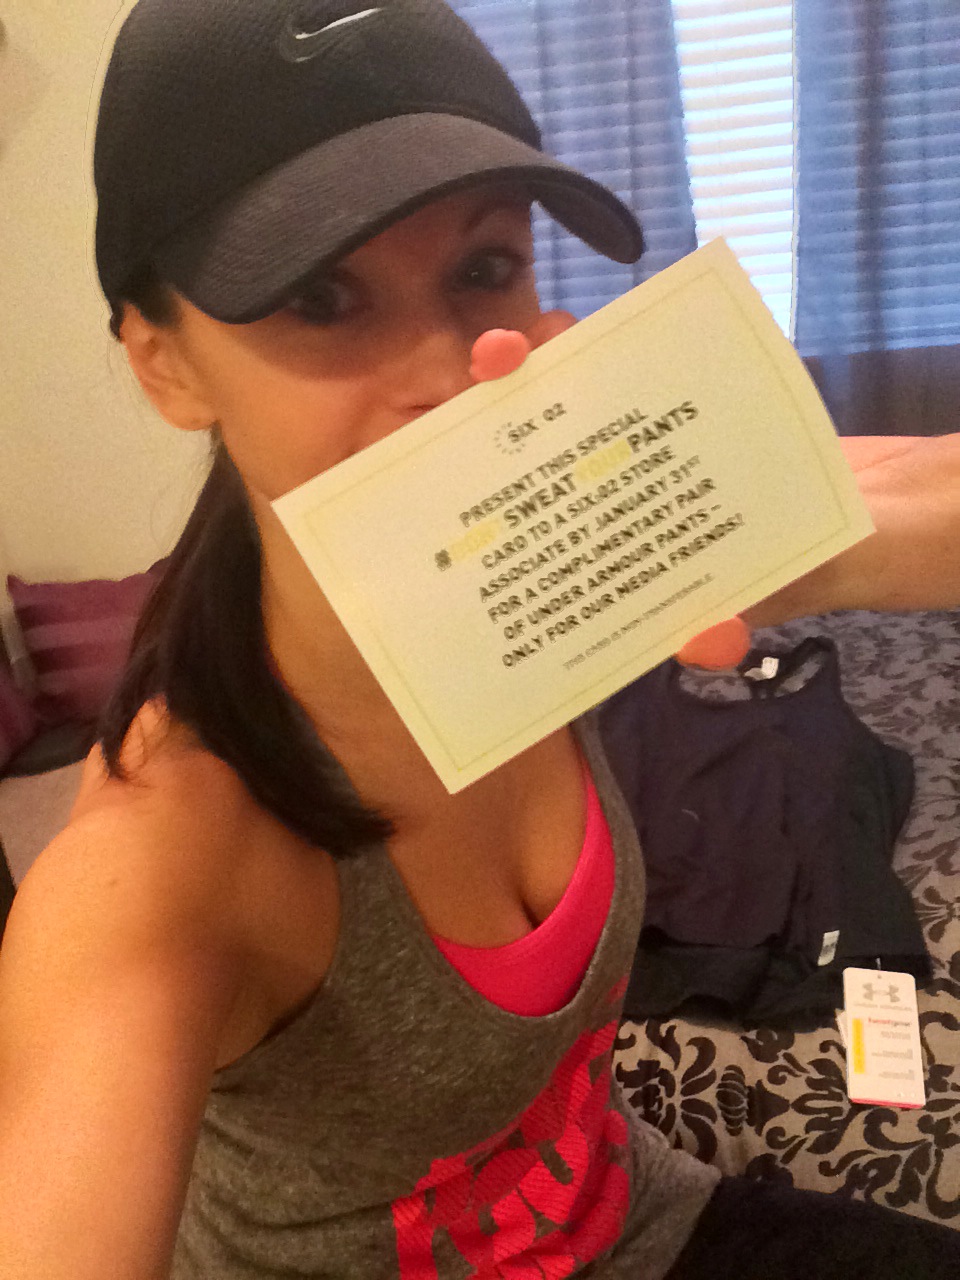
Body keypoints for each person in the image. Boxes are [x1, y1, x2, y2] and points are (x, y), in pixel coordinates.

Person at [1, 1, 958, 1277]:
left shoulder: (533, 596)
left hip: (634, 1218)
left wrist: (813, 537)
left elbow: (924, 493)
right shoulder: (160, 858)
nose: (448, 375)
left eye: (483, 269)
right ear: (165, 363)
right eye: (322, 297)